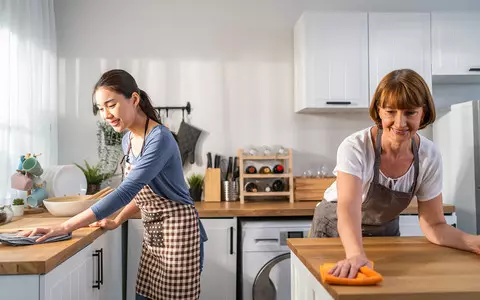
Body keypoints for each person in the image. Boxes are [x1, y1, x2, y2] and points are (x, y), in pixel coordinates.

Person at [21, 69, 207, 300]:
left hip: (179, 235)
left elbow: (125, 192)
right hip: (155, 235)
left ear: (135, 99)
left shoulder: (159, 138)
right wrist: (117, 219)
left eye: (111, 104)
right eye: (100, 108)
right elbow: (140, 194)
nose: (105, 114)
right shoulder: (128, 139)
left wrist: (64, 227)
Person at [310, 69, 480, 279]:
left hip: (385, 233)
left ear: (423, 113)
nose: (400, 123)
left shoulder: (429, 155)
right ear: (379, 111)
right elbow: (349, 209)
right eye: (391, 111)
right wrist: (355, 254)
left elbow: (434, 223)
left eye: (410, 113)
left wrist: (474, 243)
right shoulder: (355, 147)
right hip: (335, 231)